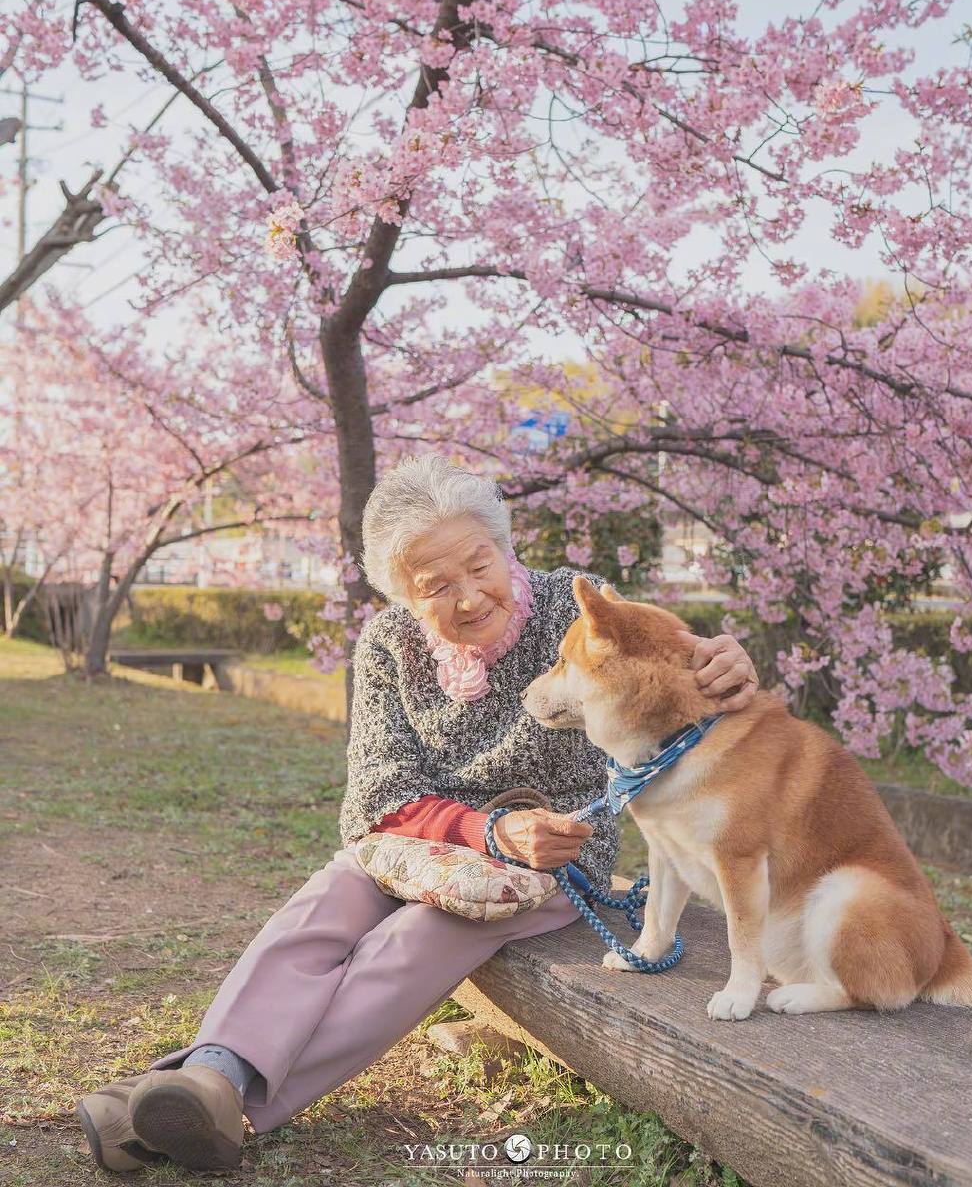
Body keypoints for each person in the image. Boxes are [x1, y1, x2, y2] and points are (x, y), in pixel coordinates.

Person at [75, 454, 759, 1173]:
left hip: (548, 860)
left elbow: (669, 666)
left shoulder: (575, 606)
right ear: (404, 595)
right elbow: (379, 792)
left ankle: (201, 1101)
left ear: (504, 546)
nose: (469, 597)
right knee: (324, 904)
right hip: (422, 841)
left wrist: (723, 665)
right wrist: (483, 830)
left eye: (480, 564)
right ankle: (210, 1078)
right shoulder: (387, 645)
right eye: (437, 586)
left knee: (418, 938)